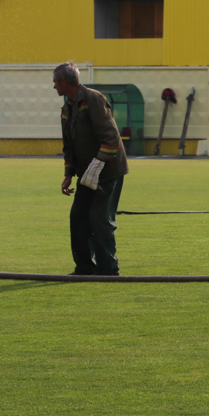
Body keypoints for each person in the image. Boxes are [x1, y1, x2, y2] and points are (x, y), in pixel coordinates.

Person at [53, 61, 129, 276]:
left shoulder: (94, 99)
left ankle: (108, 270)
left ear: (63, 81)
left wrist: (97, 165)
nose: (54, 87)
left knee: (100, 219)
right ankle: (85, 267)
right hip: (88, 174)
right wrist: (69, 174)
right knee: (78, 217)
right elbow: (69, 146)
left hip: (108, 171)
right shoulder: (67, 108)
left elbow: (111, 139)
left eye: (55, 83)